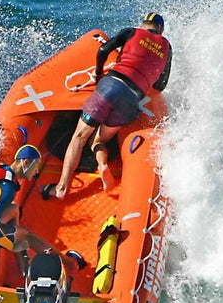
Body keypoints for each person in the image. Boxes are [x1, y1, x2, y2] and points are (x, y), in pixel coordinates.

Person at [54, 13, 172, 199]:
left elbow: (102, 50)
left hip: (111, 86)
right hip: (132, 98)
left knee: (79, 136)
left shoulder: (131, 32)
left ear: (142, 25)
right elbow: (160, 84)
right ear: (161, 30)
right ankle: (102, 165)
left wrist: (99, 73)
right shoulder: (167, 47)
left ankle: (61, 188)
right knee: (99, 141)